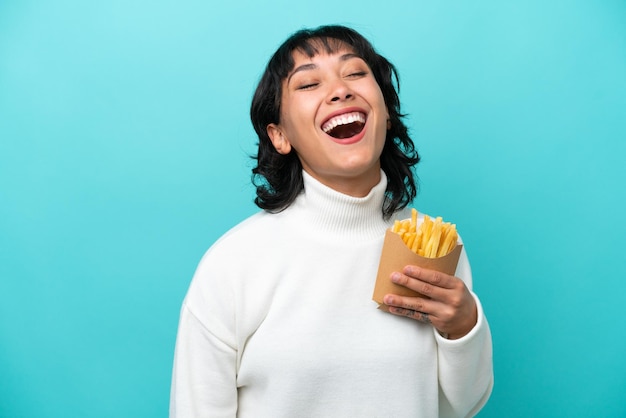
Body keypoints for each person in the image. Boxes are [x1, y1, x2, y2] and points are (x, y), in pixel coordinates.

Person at [170, 24, 493, 418]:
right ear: (280, 136)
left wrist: (463, 327)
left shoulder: (433, 245)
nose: (340, 90)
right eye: (308, 84)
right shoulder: (234, 263)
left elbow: (460, 406)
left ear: (387, 114)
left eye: (355, 73)